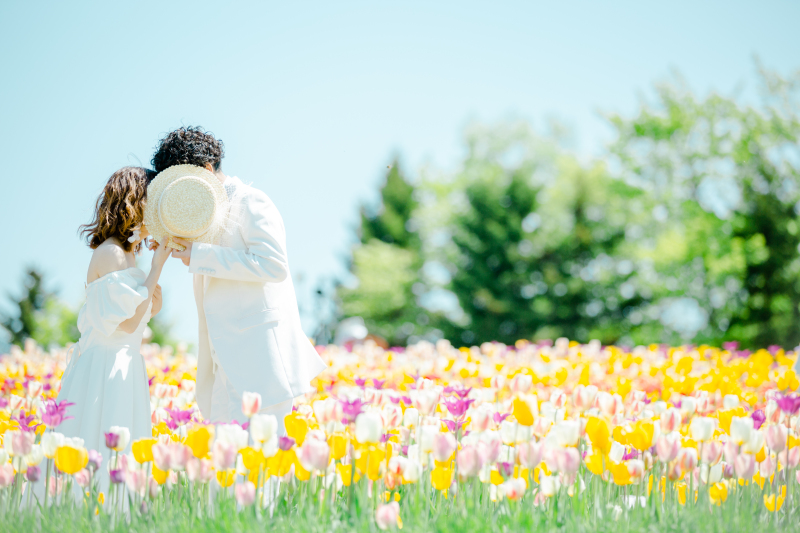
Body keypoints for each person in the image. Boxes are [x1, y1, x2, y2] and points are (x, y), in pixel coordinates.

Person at [151, 127, 326, 432]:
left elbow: (273, 265)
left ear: (205, 169)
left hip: (261, 364)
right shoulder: (202, 214)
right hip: (223, 366)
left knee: (266, 471)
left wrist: (201, 255)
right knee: (227, 473)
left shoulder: (251, 200)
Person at [57, 167, 171, 464]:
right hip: (106, 367)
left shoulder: (129, 255)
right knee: (103, 445)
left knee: (120, 451)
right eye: (152, 201)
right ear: (134, 203)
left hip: (125, 362)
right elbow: (129, 322)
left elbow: (137, 317)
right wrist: (157, 269)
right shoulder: (112, 254)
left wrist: (152, 299)